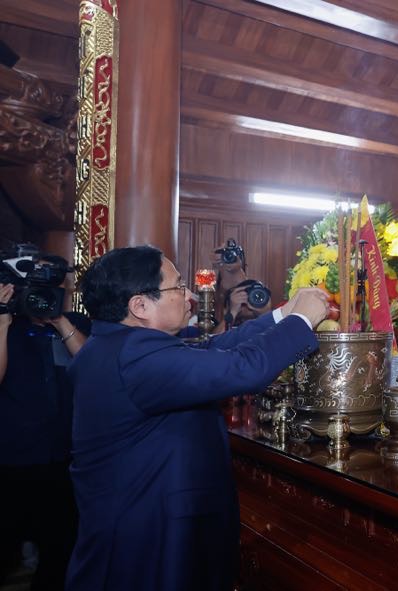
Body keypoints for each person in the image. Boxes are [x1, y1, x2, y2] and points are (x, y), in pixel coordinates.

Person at [65, 246, 328, 591]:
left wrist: (282, 315)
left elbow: (215, 348)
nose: (190, 296)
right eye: (178, 287)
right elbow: (241, 368)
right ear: (140, 305)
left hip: (140, 522)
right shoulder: (134, 355)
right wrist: (301, 321)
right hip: (145, 534)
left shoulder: (117, 344)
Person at [0, 255, 89, 591]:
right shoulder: (8, 324)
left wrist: (59, 321)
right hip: (9, 462)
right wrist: (3, 319)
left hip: (62, 462)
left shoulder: (75, 323)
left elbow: (93, 370)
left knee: (60, 554)